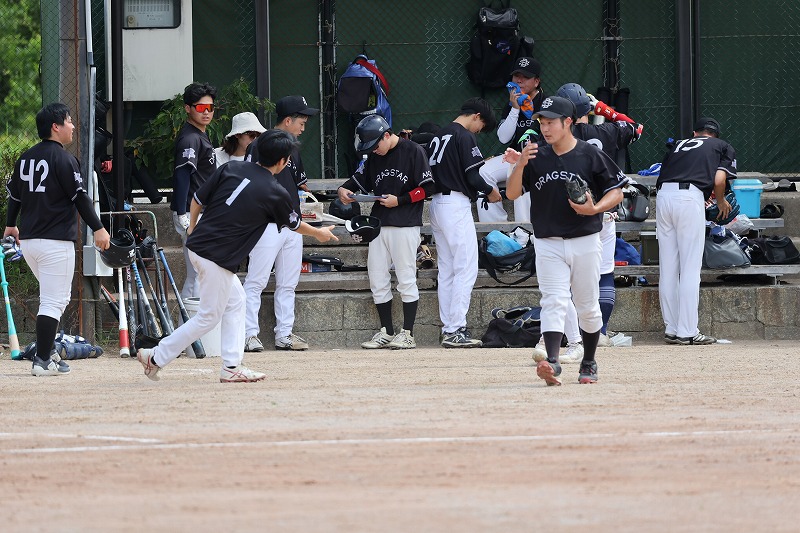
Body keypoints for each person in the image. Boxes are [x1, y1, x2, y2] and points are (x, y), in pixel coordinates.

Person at [136, 130, 338, 382]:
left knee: (236, 301)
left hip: (201, 248)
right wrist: (319, 233)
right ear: (282, 162)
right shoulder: (275, 191)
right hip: (215, 256)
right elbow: (295, 225)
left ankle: (230, 365)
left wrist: (192, 229)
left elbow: (196, 200)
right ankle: (156, 357)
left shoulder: (231, 167)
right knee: (208, 317)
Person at [505, 96, 627, 386]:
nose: (545, 128)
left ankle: (589, 361)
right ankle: (553, 361)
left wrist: (595, 209)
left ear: (568, 122)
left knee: (587, 306)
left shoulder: (589, 154)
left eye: (551, 122)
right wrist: (520, 164)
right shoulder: (536, 155)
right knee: (553, 300)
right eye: (542, 123)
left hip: (585, 239)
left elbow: (617, 191)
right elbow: (511, 193)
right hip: (548, 240)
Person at [530, 82, 644, 360]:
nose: (546, 126)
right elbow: (636, 127)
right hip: (603, 215)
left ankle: (574, 342)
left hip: (580, 219)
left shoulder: (554, 142)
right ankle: (596, 334)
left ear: (566, 118)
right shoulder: (605, 130)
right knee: (597, 280)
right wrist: (602, 108)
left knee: (566, 291)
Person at [4, 103, 111, 376]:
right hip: (55, 242)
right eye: (69, 121)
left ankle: (49, 352)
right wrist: (99, 228)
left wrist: (10, 225)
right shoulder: (64, 159)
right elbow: (80, 198)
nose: (73, 126)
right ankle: (42, 360)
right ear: (56, 126)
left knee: (52, 298)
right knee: (54, 301)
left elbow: (14, 196)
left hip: (30, 242)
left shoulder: (25, 157)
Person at [337, 114, 435, 349]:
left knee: (406, 278)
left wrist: (400, 200)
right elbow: (358, 180)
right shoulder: (374, 156)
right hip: (379, 224)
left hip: (405, 224)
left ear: (387, 135)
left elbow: (428, 188)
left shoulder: (413, 151)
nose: (373, 150)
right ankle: (387, 332)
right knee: (377, 277)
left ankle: (408, 334)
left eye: (375, 145)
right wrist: (343, 189)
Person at [243, 95, 318, 352]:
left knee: (288, 283)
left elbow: (300, 184)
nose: (303, 128)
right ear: (287, 120)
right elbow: (248, 183)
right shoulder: (259, 145)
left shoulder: (292, 147)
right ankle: (249, 334)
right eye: (301, 122)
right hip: (265, 223)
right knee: (256, 281)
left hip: (292, 223)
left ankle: (284, 334)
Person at [427, 98, 500, 347]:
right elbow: (473, 176)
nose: (479, 131)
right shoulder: (464, 135)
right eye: (482, 126)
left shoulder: (440, 134)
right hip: (455, 205)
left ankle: (449, 329)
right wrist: (490, 191)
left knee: (448, 269)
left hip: (437, 204)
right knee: (466, 268)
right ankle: (456, 328)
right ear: (476, 116)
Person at [656, 117, 734, 345]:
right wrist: (720, 200)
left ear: (694, 133)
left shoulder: (678, 144)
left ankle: (671, 328)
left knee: (668, 268)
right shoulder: (721, 145)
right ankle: (688, 331)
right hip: (689, 198)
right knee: (690, 268)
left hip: (663, 198)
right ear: (715, 135)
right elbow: (719, 179)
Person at [477, 56, 546, 222]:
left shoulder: (545, 103)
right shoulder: (511, 104)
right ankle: (496, 228)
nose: (519, 80)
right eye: (516, 76)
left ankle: (524, 231)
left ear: (536, 81)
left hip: (540, 157)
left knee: (521, 174)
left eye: (525, 77)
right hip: (514, 156)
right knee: (483, 172)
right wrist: (515, 109)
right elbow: (503, 138)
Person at [170, 82, 217, 299]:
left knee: (198, 273)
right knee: (199, 273)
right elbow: (182, 175)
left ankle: (189, 319)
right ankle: (191, 319)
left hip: (199, 211)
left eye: (210, 107)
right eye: (200, 107)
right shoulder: (191, 138)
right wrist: (182, 214)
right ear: (188, 108)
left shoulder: (199, 134)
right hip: (191, 212)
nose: (206, 112)